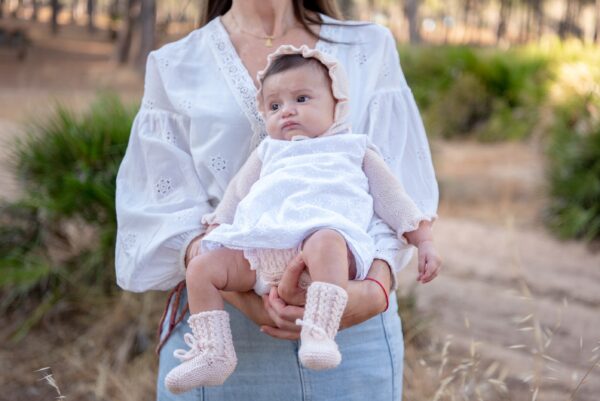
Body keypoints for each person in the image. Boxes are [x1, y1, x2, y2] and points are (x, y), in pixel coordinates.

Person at [115, 1, 440, 400]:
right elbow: (161, 209)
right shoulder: (174, 64)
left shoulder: (370, 47)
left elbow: (398, 190)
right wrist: (244, 295)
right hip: (229, 327)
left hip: (354, 336)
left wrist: (372, 292)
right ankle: (212, 352)